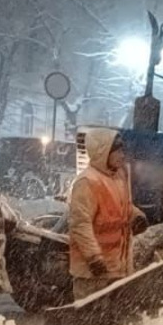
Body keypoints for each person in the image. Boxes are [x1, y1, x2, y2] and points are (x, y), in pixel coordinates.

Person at [66, 127, 134, 300]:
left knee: (113, 323)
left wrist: (136, 216)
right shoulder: (87, 182)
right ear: (103, 153)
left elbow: (122, 207)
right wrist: (93, 257)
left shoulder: (119, 176)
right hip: (92, 272)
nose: (122, 155)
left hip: (116, 268)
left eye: (122, 150)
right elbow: (80, 224)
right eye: (117, 151)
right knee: (89, 320)